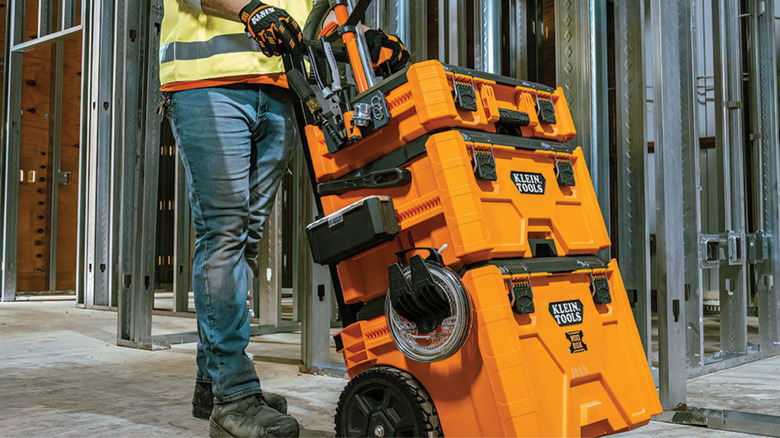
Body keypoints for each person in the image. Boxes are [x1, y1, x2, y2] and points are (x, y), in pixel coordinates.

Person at [159, 0, 410, 436]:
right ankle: (233, 397)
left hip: (280, 88)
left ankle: (213, 378)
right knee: (224, 234)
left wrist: (361, 35)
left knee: (245, 239)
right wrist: (250, 10)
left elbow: (317, 10)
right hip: (208, 84)